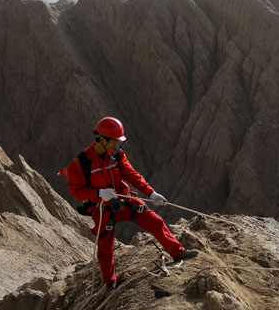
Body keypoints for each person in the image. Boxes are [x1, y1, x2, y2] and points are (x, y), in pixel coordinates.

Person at [64, 116, 198, 291]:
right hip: (102, 208)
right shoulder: (81, 163)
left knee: (155, 221)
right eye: (114, 142)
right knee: (105, 247)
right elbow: (75, 190)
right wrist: (98, 193)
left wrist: (151, 192)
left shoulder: (116, 155)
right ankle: (110, 283)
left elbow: (132, 175)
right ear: (102, 139)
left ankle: (177, 252)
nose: (116, 146)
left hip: (124, 201)